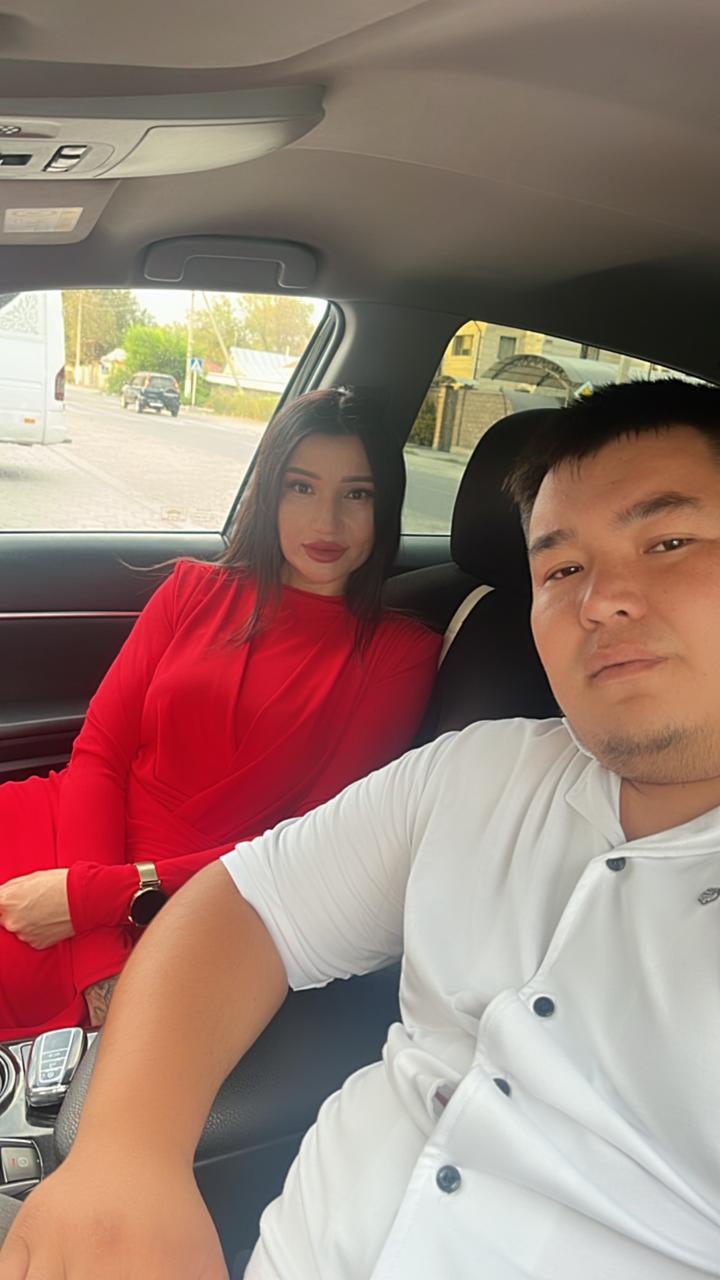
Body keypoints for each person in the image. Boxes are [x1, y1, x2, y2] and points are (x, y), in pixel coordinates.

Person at [3, 376, 720, 1280]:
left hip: (133, 894)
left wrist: (99, 905)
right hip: (77, 846)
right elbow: (129, 780)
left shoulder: (398, 655)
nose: (601, 600)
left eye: (668, 542)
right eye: (563, 569)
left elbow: (281, 842)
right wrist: (124, 1155)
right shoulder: (480, 770)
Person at [0, 386, 440, 1040]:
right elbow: (99, 754)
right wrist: (96, 952)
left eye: (357, 494)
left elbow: (310, 844)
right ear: (270, 493)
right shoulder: (189, 591)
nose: (326, 522)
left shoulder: (399, 655)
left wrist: (95, 899)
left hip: (199, 902)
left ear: (385, 507)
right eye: (301, 488)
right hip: (71, 832)